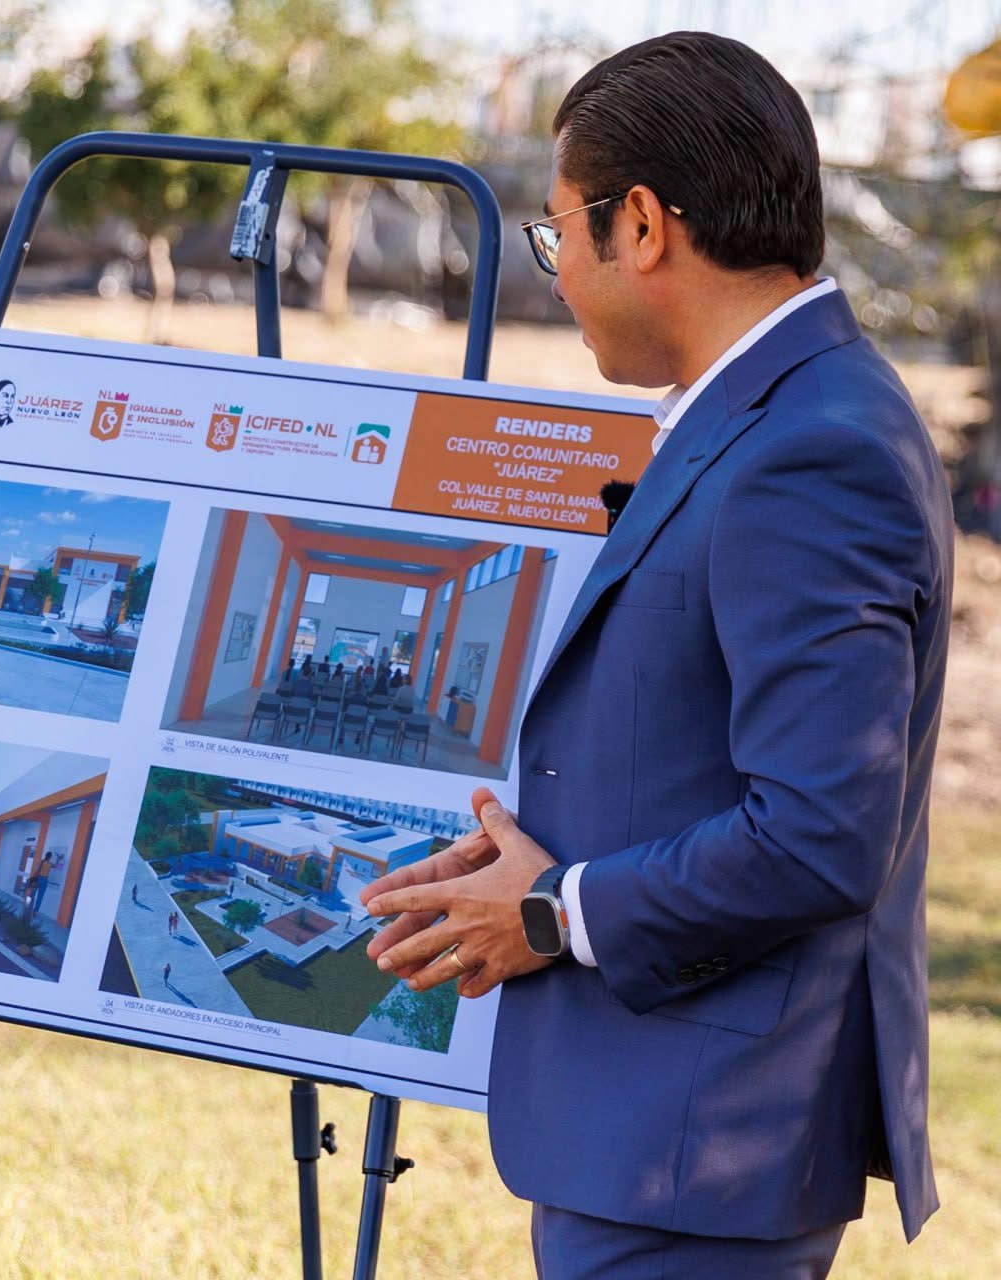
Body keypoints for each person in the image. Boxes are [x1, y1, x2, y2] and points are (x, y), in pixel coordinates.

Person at [362, 32, 951, 1280]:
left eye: (556, 234)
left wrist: (552, 911)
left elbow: (817, 831)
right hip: (649, 1129)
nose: (558, 275)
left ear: (638, 225)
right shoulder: (770, 412)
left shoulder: (811, 449)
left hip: (698, 1148)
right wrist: (531, 860)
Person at [32, 852, 54, 917]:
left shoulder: (43, 862)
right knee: (40, 896)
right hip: (44, 880)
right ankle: (35, 911)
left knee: (33, 894)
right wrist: (58, 859)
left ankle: (30, 908)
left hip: (39, 879)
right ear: (50, 857)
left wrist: (34, 878)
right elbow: (56, 866)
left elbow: (36, 870)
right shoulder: (49, 864)